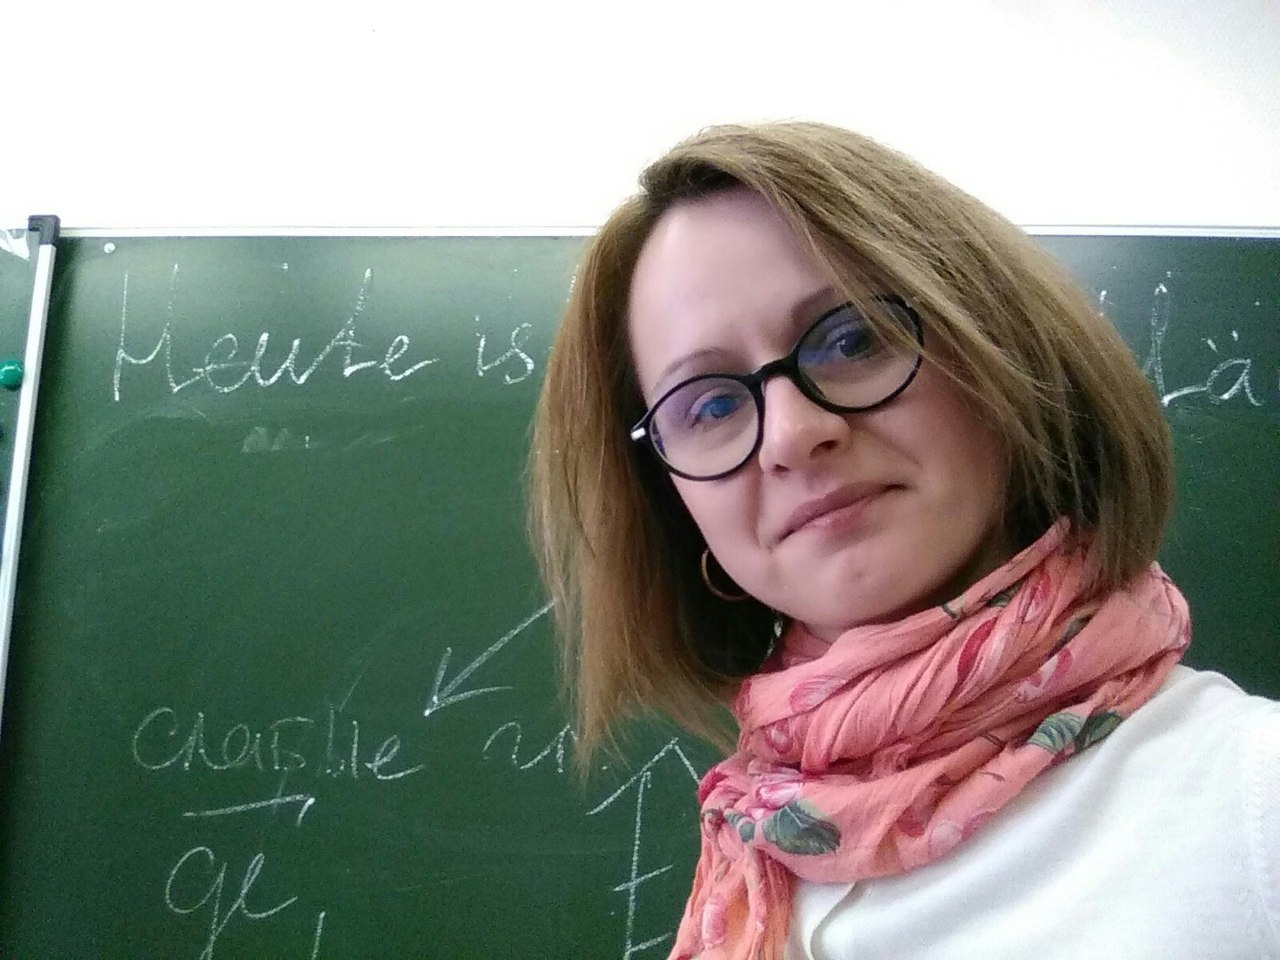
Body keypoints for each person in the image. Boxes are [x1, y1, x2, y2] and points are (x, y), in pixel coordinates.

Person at [528, 122, 1279, 959]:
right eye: (709, 405)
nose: (791, 434)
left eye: (851, 340)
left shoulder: (1252, 804)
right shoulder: (752, 848)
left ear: (998, 351)